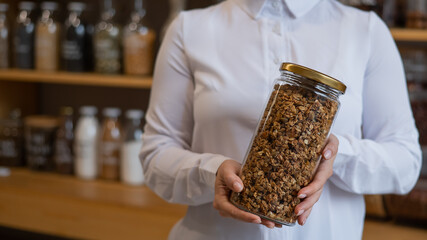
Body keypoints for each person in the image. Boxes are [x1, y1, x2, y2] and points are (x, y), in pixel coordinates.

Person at [139, 0, 422, 239]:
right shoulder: (190, 29)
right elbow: (155, 156)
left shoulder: (365, 30)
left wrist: (335, 155)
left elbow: (405, 162)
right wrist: (210, 172)